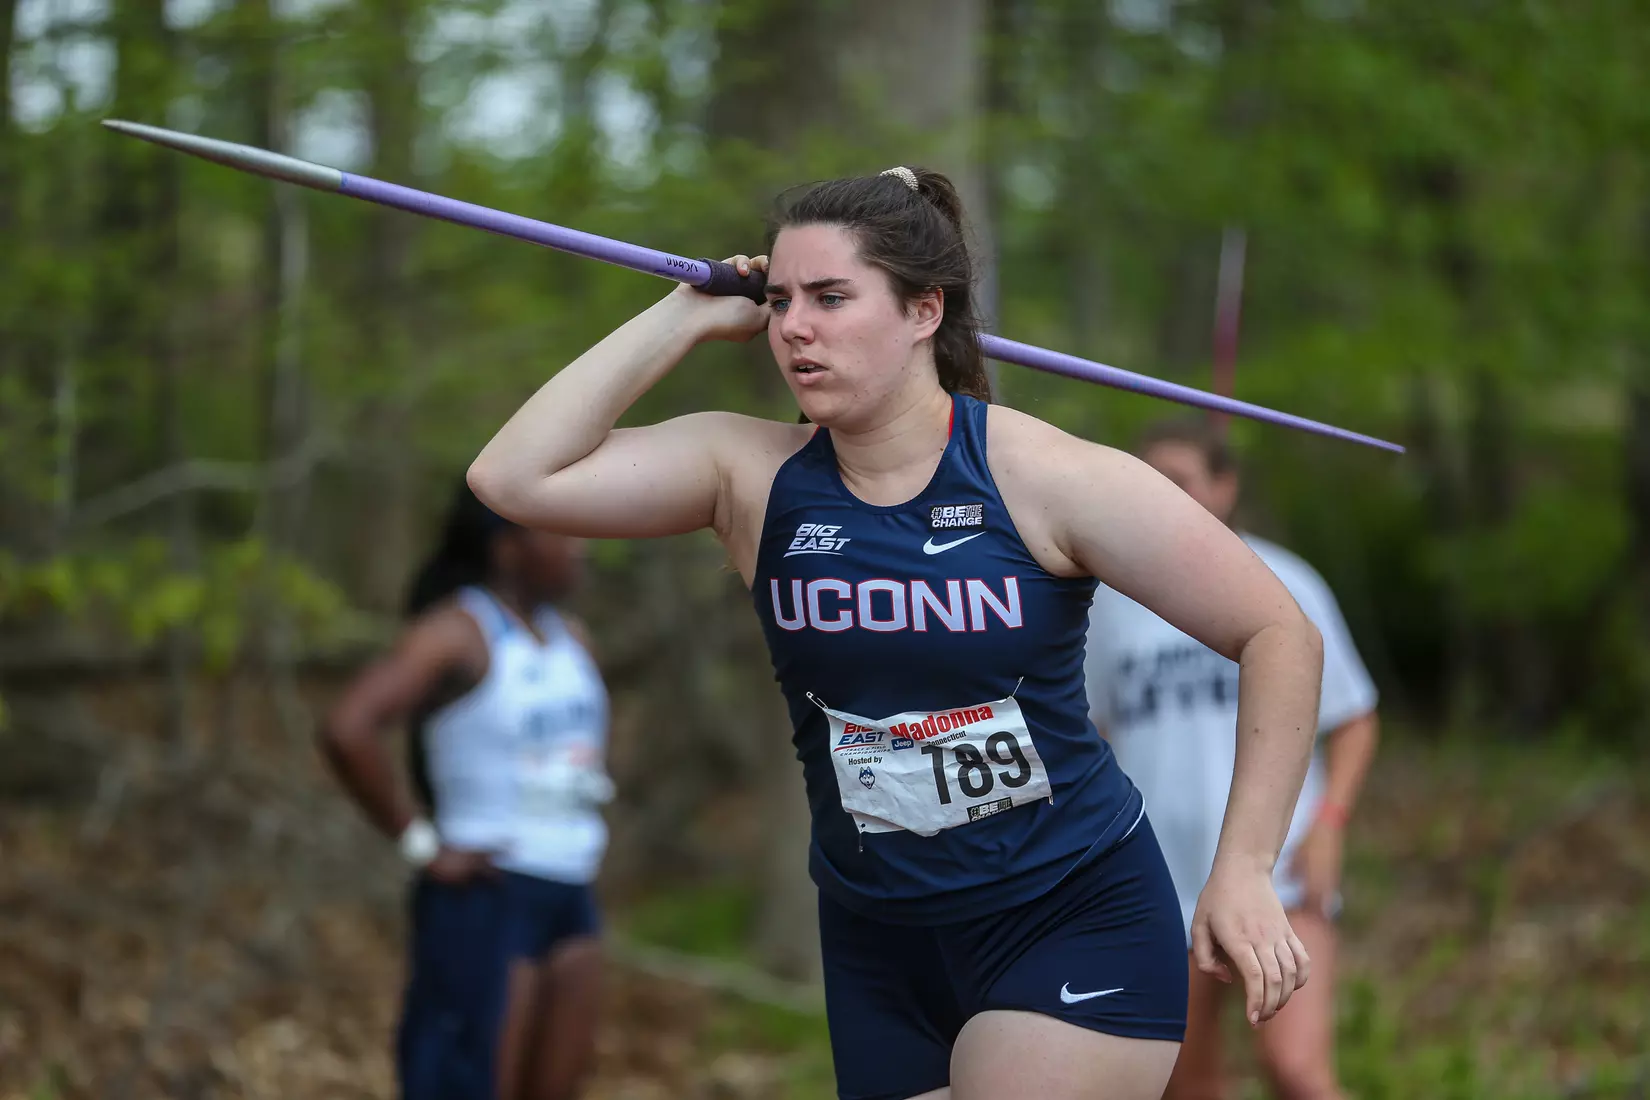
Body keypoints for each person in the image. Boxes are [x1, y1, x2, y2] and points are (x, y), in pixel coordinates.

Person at [467, 165, 1325, 1100]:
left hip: (1068, 912)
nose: (795, 326)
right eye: (782, 299)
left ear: (925, 311)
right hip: (879, 938)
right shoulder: (749, 474)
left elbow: (1278, 629)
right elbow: (512, 479)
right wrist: (681, 314)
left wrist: (1243, 867)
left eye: (832, 298)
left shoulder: (1042, 476)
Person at [1084, 418, 1380, 1100]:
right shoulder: (1108, 602)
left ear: (1224, 486)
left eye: (1182, 479)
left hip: (1280, 875)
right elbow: (1092, 731)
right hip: (1157, 879)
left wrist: (1331, 820)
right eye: (1151, 480)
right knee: (1187, 1084)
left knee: (1297, 1071)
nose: (1165, 494)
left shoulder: (1287, 584)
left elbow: (1355, 717)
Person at [320, 480, 613, 1100]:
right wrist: (421, 843)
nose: (580, 547)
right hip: (487, 890)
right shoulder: (460, 631)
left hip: (570, 889)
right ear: (507, 548)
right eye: (560, 532)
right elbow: (348, 728)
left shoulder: (573, 639)